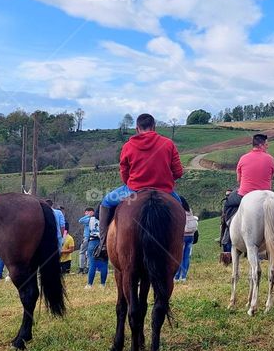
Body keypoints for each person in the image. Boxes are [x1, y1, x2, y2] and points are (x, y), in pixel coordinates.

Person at [95, 113, 184, 260]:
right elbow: (178, 172)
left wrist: (131, 183)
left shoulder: (128, 146)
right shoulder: (168, 143)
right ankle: (179, 243)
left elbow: (124, 172)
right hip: (164, 190)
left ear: (137, 128)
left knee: (105, 202)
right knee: (179, 207)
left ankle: (103, 245)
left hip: (134, 190)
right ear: (154, 127)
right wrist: (165, 180)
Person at [220, 134, 274, 255]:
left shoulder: (243, 159)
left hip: (244, 194)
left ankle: (226, 239)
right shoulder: (271, 159)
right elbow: (271, 177)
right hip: (266, 194)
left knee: (227, 203)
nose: (267, 147)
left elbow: (238, 180)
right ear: (261, 145)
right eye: (266, 145)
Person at [175, 211, 199, 282]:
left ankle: (177, 277)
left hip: (183, 236)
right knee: (186, 257)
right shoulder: (190, 212)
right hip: (191, 236)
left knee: (180, 257)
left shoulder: (180, 212)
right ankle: (184, 277)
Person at [85, 213, 108, 288]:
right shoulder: (107, 217)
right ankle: (102, 284)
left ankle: (89, 284)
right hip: (104, 241)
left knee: (92, 263)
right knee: (104, 263)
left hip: (93, 240)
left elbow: (81, 221)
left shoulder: (91, 219)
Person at [77, 208, 95, 273]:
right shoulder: (95, 219)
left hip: (86, 238)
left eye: (86, 212)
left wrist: (88, 215)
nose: (85, 214)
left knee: (82, 252)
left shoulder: (88, 219)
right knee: (89, 253)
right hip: (93, 238)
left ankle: (81, 268)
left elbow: (80, 220)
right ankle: (88, 268)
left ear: (90, 212)